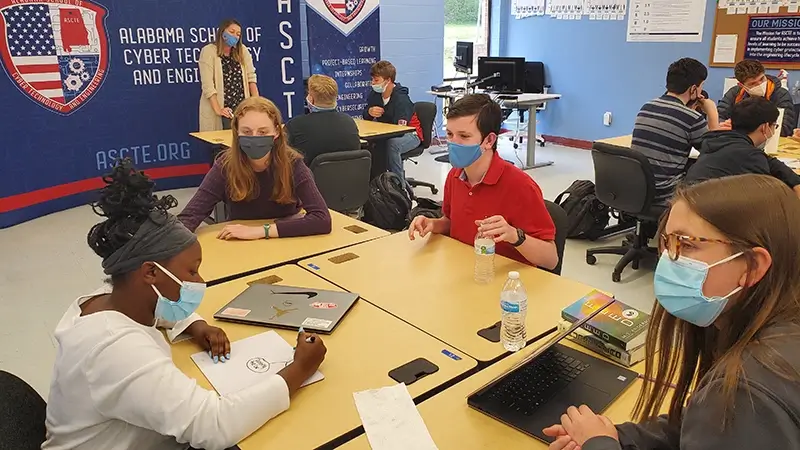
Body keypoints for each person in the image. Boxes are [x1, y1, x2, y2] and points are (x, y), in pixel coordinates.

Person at [43, 159, 327, 450]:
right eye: (192, 271)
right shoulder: (116, 349)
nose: (199, 280)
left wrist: (195, 324)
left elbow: (153, 308)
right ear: (151, 272)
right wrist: (300, 368)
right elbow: (214, 425)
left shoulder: (106, 297)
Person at [543, 174, 800, 450]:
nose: (668, 260)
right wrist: (617, 439)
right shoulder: (773, 327)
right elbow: (696, 425)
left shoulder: (743, 394)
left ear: (752, 266)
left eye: (687, 245)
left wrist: (599, 446)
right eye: (667, 243)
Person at [407, 94, 558, 270]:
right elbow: (452, 222)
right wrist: (434, 224)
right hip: (463, 271)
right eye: (449, 134)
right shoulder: (455, 176)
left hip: (504, 281)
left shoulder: (521, 186)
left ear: (489, 140)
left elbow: (551, 259)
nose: (453, 143)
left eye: (464, 136)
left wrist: (515, 236)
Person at [179, 96, 332, 239]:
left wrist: (261, 231)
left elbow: (322, 219)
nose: (254, 137)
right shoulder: (225, 164)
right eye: (246, 132)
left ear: (276, 132)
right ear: (236, 132)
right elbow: (190, 216)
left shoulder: (293, 163)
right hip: (241, 245)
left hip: (285, 242)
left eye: (263, 132)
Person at [631, 57, 720, 206]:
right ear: (693, 89)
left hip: (635, 188)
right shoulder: (692, 118)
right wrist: (712, 111)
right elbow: (716, 152)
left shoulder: (647, 106)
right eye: (700, 86)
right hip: (663, 193)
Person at [686, 97, 800, 197]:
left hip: (686, 207)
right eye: (774, 126)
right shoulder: (750, 157)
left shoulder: (716, 142)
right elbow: (766, 199)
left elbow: (767, 160)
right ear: (765, 127)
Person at [362, 60, 424, 183]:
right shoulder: (375, 95)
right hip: (388, 133)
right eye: (372, 80)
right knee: (369, 144)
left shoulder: (401, 99)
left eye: (376, 80)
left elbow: (400, 129)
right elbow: (366, 115)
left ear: (388, 80)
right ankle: (375, 183)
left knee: (392, 145)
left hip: (411, 134)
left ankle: (397, 186)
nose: (373, 83)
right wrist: (369, 111)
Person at [285, 74, 361, 166]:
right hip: (350, 178)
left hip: (309, 179)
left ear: (311, 99)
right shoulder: (349, 122)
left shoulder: (295, 125)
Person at [198, 19, 258, 131]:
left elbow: (251, 78)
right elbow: (208, 86)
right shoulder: (208, 51)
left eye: (238, 34)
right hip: (222, 109)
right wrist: (219, 110)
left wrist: (257, 104)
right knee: (222, 146)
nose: (235, 36)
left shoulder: (243, 51)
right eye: (231, 31)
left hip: (242, 109)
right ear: (222, 32)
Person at [718, 60, 796, 137]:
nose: (760, 84)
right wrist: (724, 125)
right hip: (737, 140)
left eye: (762, 79)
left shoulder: (781, 94)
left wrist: (739, 128)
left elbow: (785, 128)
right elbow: (718, 117)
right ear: (741, 85)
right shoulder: (735, 93)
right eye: (753, 83)